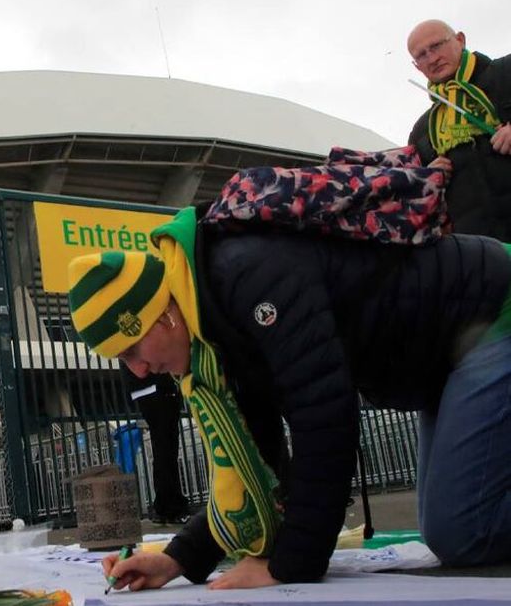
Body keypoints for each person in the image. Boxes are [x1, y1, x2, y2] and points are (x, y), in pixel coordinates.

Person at [67, 206, 511, 590]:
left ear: (163, 316)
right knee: (446, 523)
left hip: (492, 309)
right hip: (447, 349)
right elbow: (255, 461)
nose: (138, 371)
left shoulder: (249, 276)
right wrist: (178, 559)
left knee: (464, 531)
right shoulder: (213, 323)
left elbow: (325, 419)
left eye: (131, 351)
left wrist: (291, 565)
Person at [407, 19, 511, 239]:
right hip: (481, 249)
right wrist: (428, 179)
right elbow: (420, 205)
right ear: (417, 66)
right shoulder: (421, 131)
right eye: (421, 55)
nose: (432, 58)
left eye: (436, 46)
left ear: (460, 40)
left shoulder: (506, 72)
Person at [119, 366, 192, 524]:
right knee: (167, 449)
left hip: (145, 389)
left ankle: (165, 505)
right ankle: (170, 506)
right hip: (157, 387)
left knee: (162, 448)